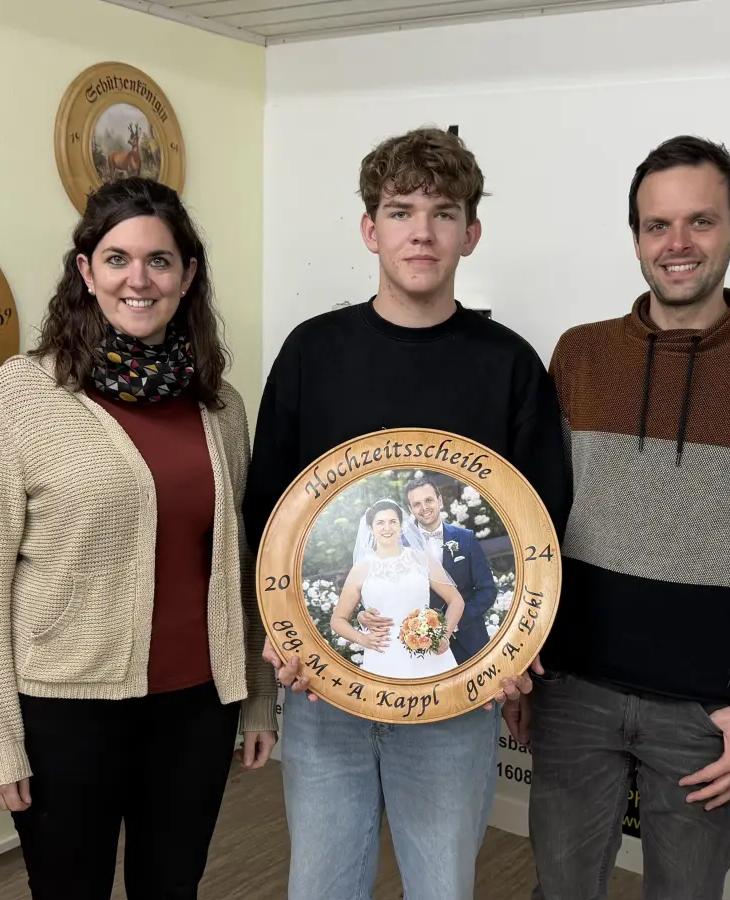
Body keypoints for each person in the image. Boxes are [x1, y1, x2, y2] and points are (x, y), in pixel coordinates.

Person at [242, 125, 571, 900]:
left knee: (441, 888)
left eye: (443, 211)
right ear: (369, 229)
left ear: (471, 231)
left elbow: (539, 531)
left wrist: (511, 650)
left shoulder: (510, 365)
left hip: (456, 691)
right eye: (399, 211)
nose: (421, 231)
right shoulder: (312, 352)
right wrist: (282, 638)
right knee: (322, 887)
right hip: (324, 689)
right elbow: (271, 519)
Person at [0, 176, 277, 900]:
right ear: (86, 271)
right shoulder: (21, 396)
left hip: (196, 708)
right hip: (66, 711)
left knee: (172, 887)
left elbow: (240, 563)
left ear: (187, 277)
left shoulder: (220, 408)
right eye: (117, 258)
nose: (139, 278)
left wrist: (256, 697)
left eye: (160, 261)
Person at [524, 135, 730, 900]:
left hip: (709, 716)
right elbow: (533, 525)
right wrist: (523, 663)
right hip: (573, 695)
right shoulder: (580, 354)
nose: (678, 244)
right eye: (657, 225)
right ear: (635, 237)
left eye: (700, 222)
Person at [355, 474, 498, 666]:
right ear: (410, 509)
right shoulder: (397, 544)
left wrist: (449, 625)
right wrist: (362, 615)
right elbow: (380, 585)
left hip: (468, 638)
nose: (424, 508)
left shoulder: (466, 539)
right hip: (416, 645)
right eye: (417, 504)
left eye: (429, 500)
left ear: (439, 500)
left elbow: (487, 590)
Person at [329, 498, 465, 679]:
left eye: (393, 522)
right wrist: (363, 639)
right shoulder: (361, 568)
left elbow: (456, 600)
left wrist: (443, 636)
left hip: (427, 651)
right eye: (380, 523)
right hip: (384, 657)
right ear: (371, 528)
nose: (387, 528)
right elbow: (337, 620)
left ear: (401, 526)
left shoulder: (421, 559)